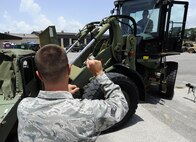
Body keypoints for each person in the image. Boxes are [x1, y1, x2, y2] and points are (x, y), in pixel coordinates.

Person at [17, 44, 128, 142]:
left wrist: (62, 93)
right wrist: (99, 73)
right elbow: (121, 104)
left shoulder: (23, 107)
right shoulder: (88, 111)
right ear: (69, 69)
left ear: (39, 75)